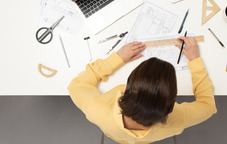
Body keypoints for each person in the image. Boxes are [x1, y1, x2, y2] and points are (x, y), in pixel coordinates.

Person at [68, 36, 217, 144]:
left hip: (114, 133)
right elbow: (208, 106)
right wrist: (196, 61)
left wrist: (116, 59)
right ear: (171, 105)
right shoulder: (177, 119)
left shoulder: (97, 110)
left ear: (125, 90)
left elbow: (76, 85)